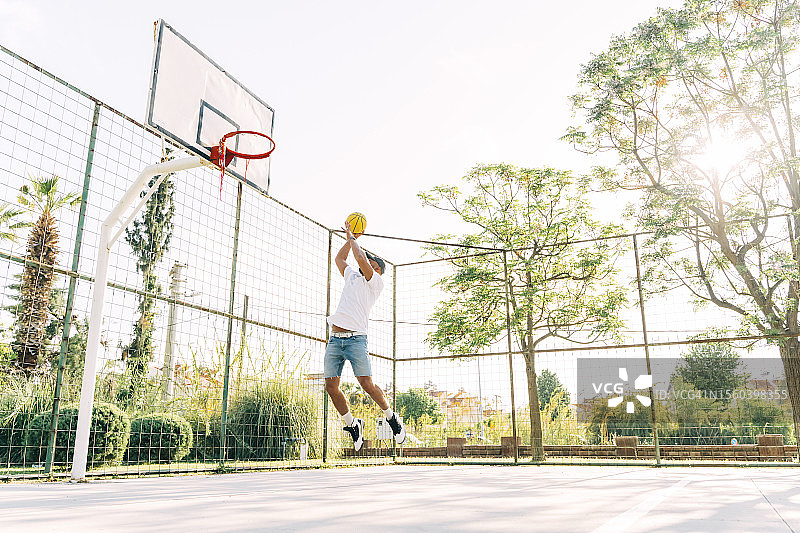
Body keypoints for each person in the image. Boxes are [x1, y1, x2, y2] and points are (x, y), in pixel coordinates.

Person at [324, 220, 406, 451]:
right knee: (331, 386)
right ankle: (352, 424)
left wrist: (353, 237)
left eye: (370, 261)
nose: (365, 260)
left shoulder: (375, 282)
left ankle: (392, 418)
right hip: (335, 339)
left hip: (356, 339)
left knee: (366, 384)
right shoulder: (352, 276)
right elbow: (340, 260)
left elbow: (360, 258)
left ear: (376, 268)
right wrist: (350, 239)